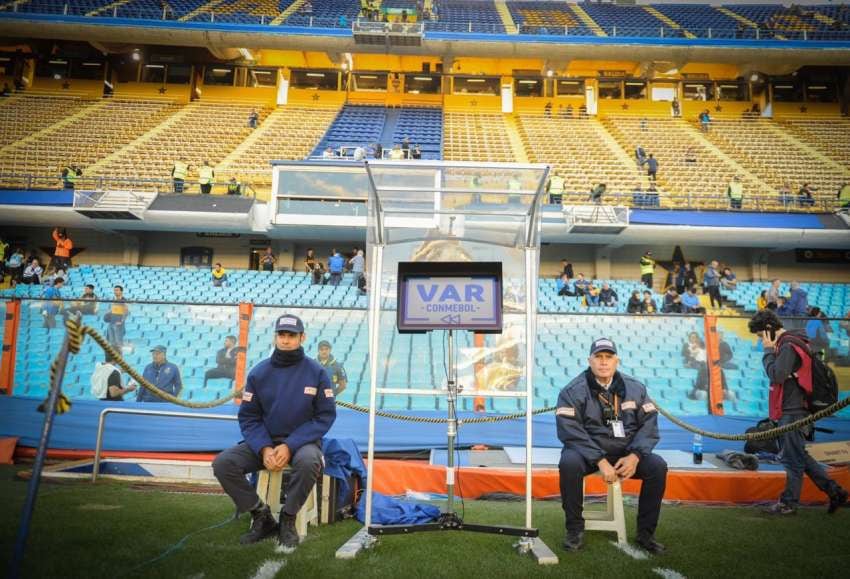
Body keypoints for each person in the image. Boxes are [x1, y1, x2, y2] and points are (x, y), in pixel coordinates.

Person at [211, 314, 336, 551]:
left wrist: (290, 445)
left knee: (310, 462)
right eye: (282, 335)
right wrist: (265, 447)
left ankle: (287, 519)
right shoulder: (259, 372)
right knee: (223, 464)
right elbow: (249, 417)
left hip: (302, 444)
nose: (286, 340)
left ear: (302, 337)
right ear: (275, 336)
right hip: (265, 442)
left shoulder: (317, 372)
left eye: (292, 335)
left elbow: (325, 417)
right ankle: (262, 516)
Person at [556, 338, 667, 554]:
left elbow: (649, 424)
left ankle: (646, 535)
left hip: (626, 452)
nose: (603, 362)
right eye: (598, 357)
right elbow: (570, 432)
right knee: (568, 463)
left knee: (657, 466)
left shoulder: (636, 388)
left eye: (608, 357)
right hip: (587, 453)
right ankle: (574, 530)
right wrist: (600, 461)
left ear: (617, 361)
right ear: (590, 361)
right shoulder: (571, 391)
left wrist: (635, 455)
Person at [749, 310, 848, 515]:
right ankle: (835, 492)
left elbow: (776, 375)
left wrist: (767, 352)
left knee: (792, 460)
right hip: (794, 409)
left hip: (793, 411)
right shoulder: (794, 342)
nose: (761, 341)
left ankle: (788, 504)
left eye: (761, 336)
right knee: (799, 455)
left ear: (768, 330)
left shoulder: (788, 345)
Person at [682, 332, 709, 400]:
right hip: (696, 362)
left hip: (703, 363)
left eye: (695, 337)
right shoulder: (687, 345)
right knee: (702, 370)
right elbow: (685, 354)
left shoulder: (702, 349)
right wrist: (689, 361)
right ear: (689, 338)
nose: (693, 339)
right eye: (692, 337)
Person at [103, 285, 129, 350]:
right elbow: (112, 310)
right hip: (111, 322)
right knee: (111, 341)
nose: (115, 291)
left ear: (121, 291)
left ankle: (119, 356)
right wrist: (107, 314)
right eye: (114, 290)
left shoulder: (124, 300)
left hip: (118, 323)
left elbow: (126, 312)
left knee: (118, 341)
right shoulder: (114, 300)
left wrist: (121, 321)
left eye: (117, 290)